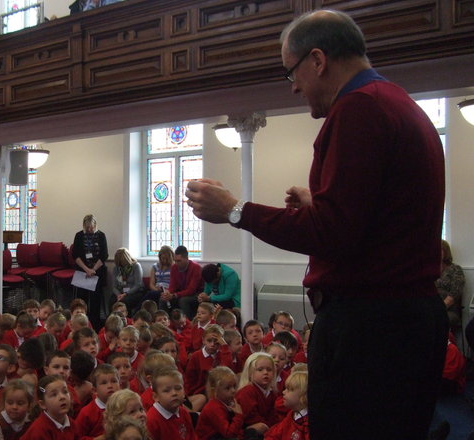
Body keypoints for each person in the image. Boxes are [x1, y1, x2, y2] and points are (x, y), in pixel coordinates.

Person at [185, 9, 448, 440]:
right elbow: (378, 217)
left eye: (292, 71)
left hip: (371, 329)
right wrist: (320, 203)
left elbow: (334, 234)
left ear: (318, 60)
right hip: (403, 321)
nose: (293, 86)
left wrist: (235, 210)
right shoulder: (397, 101)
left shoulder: (358, 109)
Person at [72, 214, 109, 329]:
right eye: (87, 227)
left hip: (96, 273)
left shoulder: (101, 235)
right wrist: (86, 269)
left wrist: (93, 269)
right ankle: (80, 324)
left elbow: (104, 255)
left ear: (95, 225)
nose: (89, 230)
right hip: (82, 272)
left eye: (91, 227)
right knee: (81, 300)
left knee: (95, 301)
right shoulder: (79, 236)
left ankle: (94, 326)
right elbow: (76, 255)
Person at [157, 246, 202, 319]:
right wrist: (168, 293)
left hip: (196, 294)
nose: (176, 263)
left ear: (186, 258)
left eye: (179, 261)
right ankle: (164, 322)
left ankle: (188, 323)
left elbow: (191, 290)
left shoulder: (196, 268)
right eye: (175, 261)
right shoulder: (174, 267)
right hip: (180, 293)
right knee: (163, 299)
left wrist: (174, 295)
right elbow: (172, 286)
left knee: (183, 301)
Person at [436, 240, 465, 330]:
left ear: (446, 251)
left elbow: (454, 295)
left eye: (439, 249)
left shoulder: (455, 269)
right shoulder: (432, 269)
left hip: (449, 310)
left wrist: (437, 310)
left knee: (434, 319)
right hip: (431, 307)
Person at [111, 248, 144, 312]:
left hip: (134, 292)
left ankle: (126, 319)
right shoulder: (116, 269)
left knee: (124, 302)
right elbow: (114, 286)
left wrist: (126, 294)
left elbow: (138, 284)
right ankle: (113, 320)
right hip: (120, 292)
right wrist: (118, 295)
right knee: (112, 301)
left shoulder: (136, 266)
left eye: (122, 263)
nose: (121, 265)